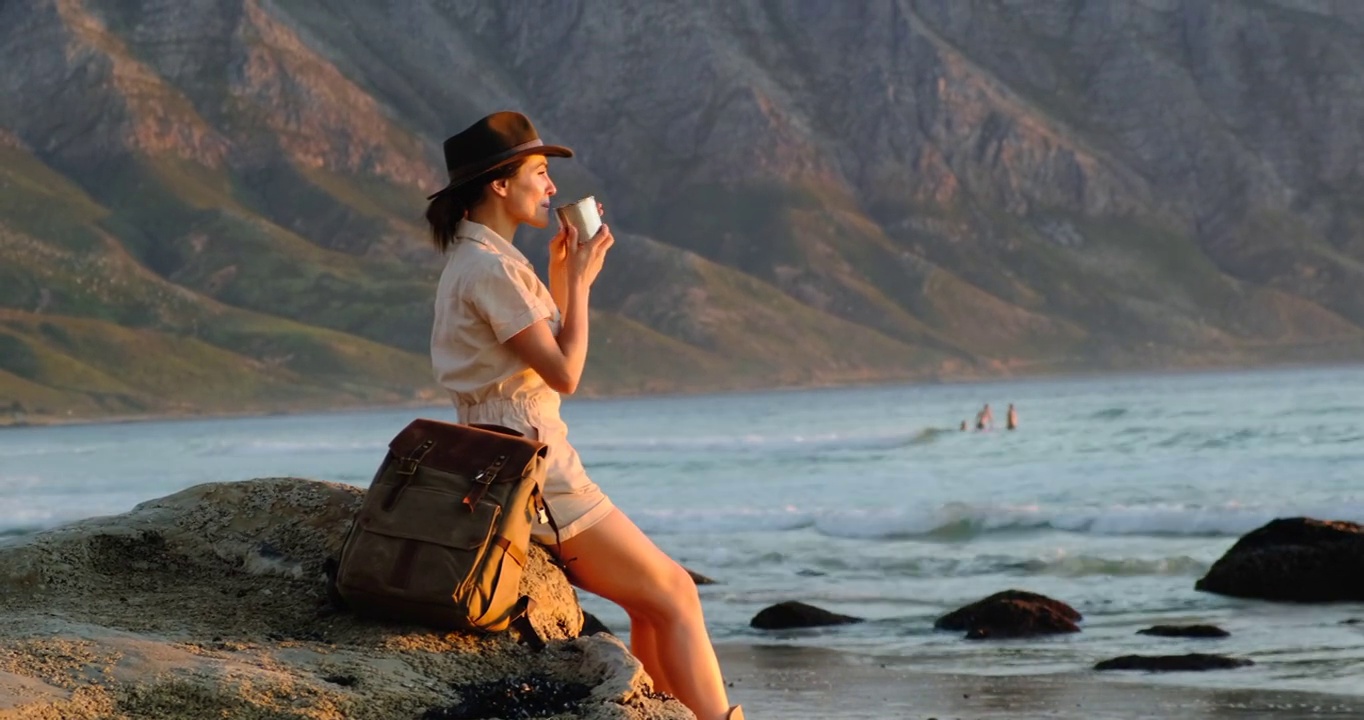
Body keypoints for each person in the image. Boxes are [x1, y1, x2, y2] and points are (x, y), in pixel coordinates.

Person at [424, 112, 742, 720]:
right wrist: (582, 286)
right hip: (538, 475)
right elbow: (564, 373)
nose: (550, 188)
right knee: (676, 593)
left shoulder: (479, 261)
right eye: (539, 173)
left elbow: (530, 363)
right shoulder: (492, 269)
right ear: (498, 184)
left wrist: (564, 279)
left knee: (651, 605)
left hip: (507, 463)